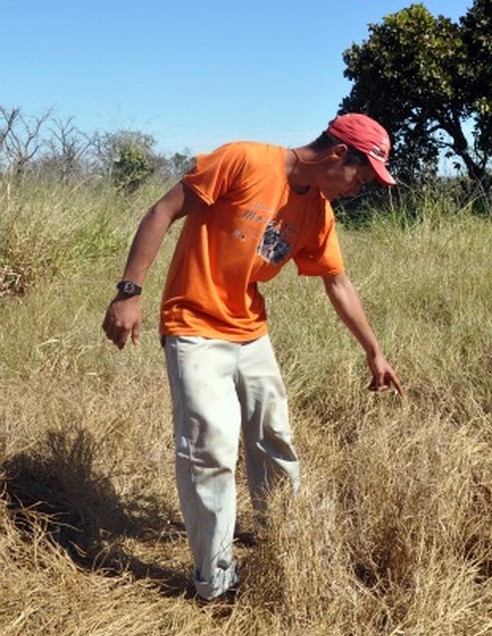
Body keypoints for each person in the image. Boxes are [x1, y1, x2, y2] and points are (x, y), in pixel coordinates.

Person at [102, 113, 403, 602]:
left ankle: (284, 541)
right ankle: (215, 582)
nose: (359, 189)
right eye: (361, 177)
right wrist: (128, 293)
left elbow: (337, 282)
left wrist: (375, 352)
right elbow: (162, 210)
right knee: (210, 451)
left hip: (250, 331)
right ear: (337, 155)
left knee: (274, 439)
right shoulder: (243, 160)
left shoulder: (319, 213)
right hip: (193, 326)